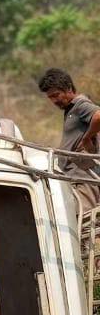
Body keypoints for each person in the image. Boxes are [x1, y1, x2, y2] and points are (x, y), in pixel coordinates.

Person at [37, 67, 100, 211]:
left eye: (56, 95)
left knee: (82, 222)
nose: (54, 100)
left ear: (69, 88)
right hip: (74, 177)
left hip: (83, 178)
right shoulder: (70, 110)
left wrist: (86, 138)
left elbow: (98, 116)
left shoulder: (80, 105)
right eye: (50, 97)